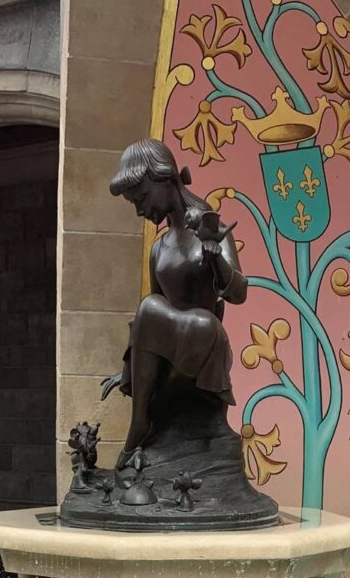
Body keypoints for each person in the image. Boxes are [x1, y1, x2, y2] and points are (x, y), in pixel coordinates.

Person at [102, 138, 248, 466]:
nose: (140, 210)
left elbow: (239, 294)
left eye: (140, 198)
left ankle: (140, 426)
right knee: (151, 306)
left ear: (166, 180)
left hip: (205, 342)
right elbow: (151, 317)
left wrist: (216, 259)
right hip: (172, 356)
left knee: (176, 314)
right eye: (133, 203)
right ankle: (145, 423)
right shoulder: (160, 247)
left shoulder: (211, 230)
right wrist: (129, 370)